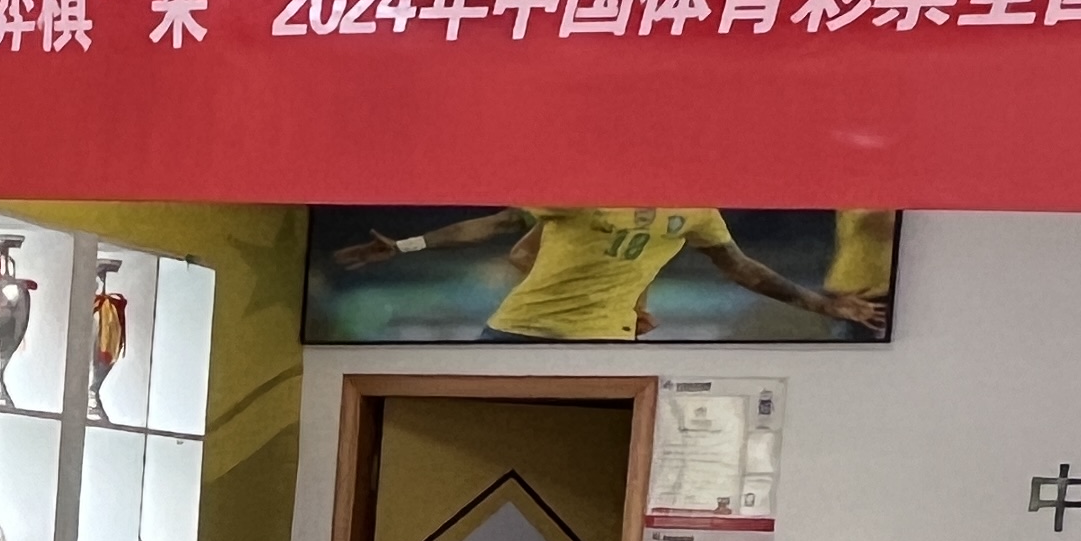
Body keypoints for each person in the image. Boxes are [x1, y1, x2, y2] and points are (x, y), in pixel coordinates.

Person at [333, 204, 888, 339]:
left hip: (603, 345)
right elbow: (502, 230)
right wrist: (405, 246)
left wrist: (821, 302)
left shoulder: (696, 210)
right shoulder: (585, 189)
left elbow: (740, 268)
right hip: (520, 334)